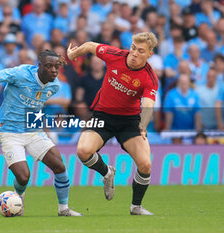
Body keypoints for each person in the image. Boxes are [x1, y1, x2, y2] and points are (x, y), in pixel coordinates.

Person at [0, 50, 83, 217]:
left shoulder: (54, 85)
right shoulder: (20, 73)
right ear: (39, 66)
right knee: (23, 176)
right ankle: (18, 200)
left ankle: (63, 209)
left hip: (33, 130)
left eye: (56, 67)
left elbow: (36, 105)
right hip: (9, 131)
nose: (54, 70)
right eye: (49, 66)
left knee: (60, 166)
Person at [67, 32, 159, 215]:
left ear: (149, 54)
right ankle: (107, 172)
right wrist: (73, 55)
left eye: (140, 51)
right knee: (83, 151)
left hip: (130, 122)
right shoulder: (115, 55)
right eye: (133, 48)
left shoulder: (150, 77)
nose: (134, 53)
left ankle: (136, 207)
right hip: (103, 116)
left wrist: (143, 125)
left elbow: (148, 104)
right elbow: (91, 45)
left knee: (145, 164)